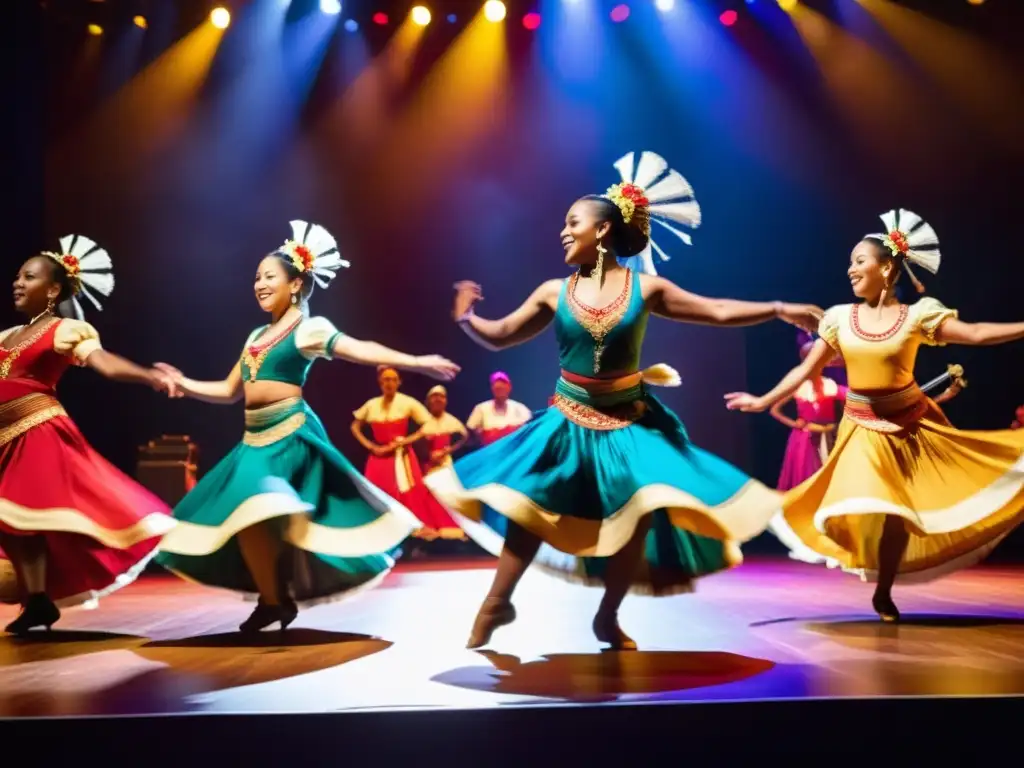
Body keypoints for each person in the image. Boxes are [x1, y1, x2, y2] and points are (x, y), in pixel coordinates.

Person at [426, 151, 822, 649]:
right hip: (567, 419)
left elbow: (717, 310)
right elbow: (501, 334)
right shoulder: (554, 291)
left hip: (627, 420)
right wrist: (468, 319)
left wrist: (779, 308)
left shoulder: (648, 288)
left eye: (573, 223)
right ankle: (497, 601)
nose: (564, 232)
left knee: (637, 512)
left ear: (604, 231)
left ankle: (607, 616)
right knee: (532, 506)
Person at [153, 220, 459, 632]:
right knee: (247, 520)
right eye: (256, 277)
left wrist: (416, 361)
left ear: (295, 284)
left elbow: (358, 349)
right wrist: (183, 384)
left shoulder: (308, 327)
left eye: (268, 277)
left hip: (289, 434)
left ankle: (276, 597)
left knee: (260, 507)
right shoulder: (256, 335)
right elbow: (229, 391)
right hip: (253, 440)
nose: (258, 284)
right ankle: (274, 599)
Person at [725, 209, 1024, 621]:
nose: (850, 269)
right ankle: (871, 576)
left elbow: (974, 334)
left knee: (897, 516)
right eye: (849, 262)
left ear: (887, 267)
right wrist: (762, 400)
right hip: (860, 427)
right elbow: (805, 369)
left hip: (910, 424)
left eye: (859, 261)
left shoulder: (918, 316)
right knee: (878, 501)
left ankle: (883, 591)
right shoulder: (840, 319)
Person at [0, 235, 178, 634]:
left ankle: (40, 598)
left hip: (37, 432)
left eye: (28, 277)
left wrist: (147, 375)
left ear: (54, 289)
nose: (17, 282)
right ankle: (39, 600)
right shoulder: (6, 337)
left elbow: (105, 364)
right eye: (16, 276)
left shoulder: (66, 330)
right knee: (14, 525)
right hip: (4, 441)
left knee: (22, 516)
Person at [351, 367, 465, 540]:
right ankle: (381, 531)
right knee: (378, 492)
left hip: (401, 456)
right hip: (379, 456)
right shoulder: (372, 404)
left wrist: (406, 441)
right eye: (385, 380)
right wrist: (370, 446)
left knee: (409, 492)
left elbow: (428, 424)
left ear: (399, 382)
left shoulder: (407, 402)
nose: (389, 383)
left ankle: (410, 531)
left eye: (393, 379)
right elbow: (355, 426)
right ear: (380, 383)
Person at [466, 372, 532, 446]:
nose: (500, 390)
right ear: (492, 388)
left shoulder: (521, 409)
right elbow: (470, 432)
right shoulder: (481, 408)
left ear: (509, 387)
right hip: (489, 451)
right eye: (497, 388)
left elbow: (529, 431)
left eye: (503, 387)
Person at [421, 385, 470, 477]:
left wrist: (448, 450)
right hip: (425, 466)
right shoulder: (421, 420)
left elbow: (465, 438)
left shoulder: (452, 421)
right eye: (435, 396)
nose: (438, 399)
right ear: (428, 401)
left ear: (446, 401)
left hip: (446, 466)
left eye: (441, 397)